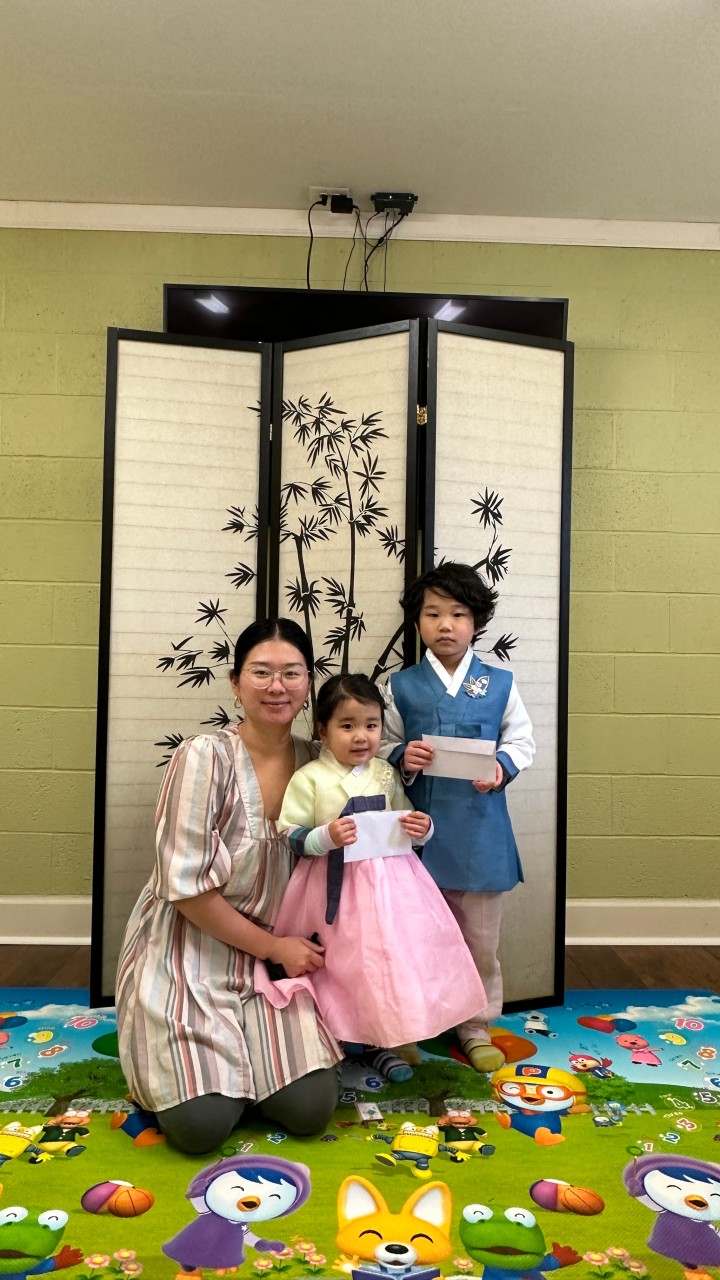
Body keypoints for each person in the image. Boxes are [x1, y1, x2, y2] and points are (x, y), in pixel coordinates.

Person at [115, 618, 343, 1154]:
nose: (277, 686)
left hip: (276, 966)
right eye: (261, 673)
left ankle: (244, 1064)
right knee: (201, 1126)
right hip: (189, 947)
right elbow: (187, 891)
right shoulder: (203, 757)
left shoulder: (321, 763)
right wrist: (274, 948)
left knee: (310, 1110)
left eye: (292, 673)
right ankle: (213, 1073)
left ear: (309, 683)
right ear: (236, 682)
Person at [254, 672, 486, 1062]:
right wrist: (326, 836)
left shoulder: (385, 773)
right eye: (347, 726)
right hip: (336, 887)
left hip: (393, 887)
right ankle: (342, 1036)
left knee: (392, 957)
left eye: (371, 725)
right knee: (346, 962)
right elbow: (289, 832)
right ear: (323, 731)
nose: (361, 736)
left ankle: (390, 1033)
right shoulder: (310, 778)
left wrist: (422, 828)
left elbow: (405, 818)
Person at [381, 562, 535, 1073]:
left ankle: (475, 1024)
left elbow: (522, 740)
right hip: (417, 831)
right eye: (432, 614)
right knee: (414, 935)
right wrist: (402, 755)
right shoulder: (401, 685)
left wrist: (501, 766)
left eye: (458, 613)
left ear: (477, 621)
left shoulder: (499, 683)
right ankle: (412, 1022)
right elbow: (380, 743)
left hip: (480, 830)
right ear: (417, 622)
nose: (445, 624)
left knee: (479, 941)